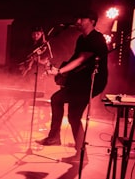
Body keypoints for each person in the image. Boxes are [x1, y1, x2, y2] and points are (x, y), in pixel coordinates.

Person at [36, 11, 109, 163]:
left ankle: (82, 155)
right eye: (78, 18)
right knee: (57, 99)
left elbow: (82, 59)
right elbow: (74, 60)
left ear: (93, 21)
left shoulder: (96, 38)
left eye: (82, 18)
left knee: (74, 116)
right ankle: (54, 137)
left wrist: (60, 71)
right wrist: (54, 67)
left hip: (91, 82)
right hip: (80, 81)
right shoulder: (82, 39)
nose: (78, 21)